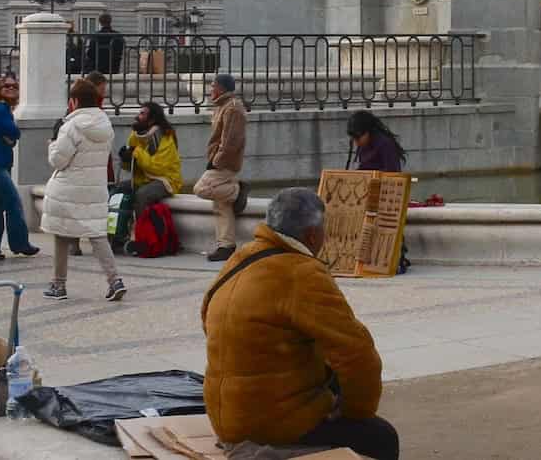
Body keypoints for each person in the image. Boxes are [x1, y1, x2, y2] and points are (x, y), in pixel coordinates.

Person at [201, 187, 397, 460]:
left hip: (225, 415)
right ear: (313, 235)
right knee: (381, 437)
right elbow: (358, 355)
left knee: (330, 376)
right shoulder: (302, 272)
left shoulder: (239, 259)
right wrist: (356, 413)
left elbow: (207, 319)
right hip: (268, 423)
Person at [42, 78, 124, 301]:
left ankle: (58, 285)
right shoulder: (105, 125)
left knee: (61, 234)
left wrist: (52, 144)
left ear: (74, 101)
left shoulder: (70, 126)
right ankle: (114, 280)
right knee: (98, 235)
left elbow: (58, 161)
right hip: (95, 188)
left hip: (68, 189)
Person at [0, 76, 40, 261]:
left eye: (15, 86)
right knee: (14, 203)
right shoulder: (0, 109)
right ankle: (20, 243)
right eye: (7, 86)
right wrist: (11, 136)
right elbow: (15, 133)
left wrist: (9, 138)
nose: (12, 88)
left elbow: (10, 137)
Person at [196, 73, 249, 262]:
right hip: (220, 160)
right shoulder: (223, 106)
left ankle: (237, 191)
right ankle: (226, 245)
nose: (210, 90)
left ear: (221, 88)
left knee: (201, 188)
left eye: (213, 86)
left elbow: (230, 141)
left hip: (225, 162)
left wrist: (216, 161)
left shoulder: (232, 108)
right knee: (221, 205)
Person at [121, 101, 183, 207]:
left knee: (142, 195)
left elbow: (158, 168)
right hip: (143, 179)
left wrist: (136, 153)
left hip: (165, 180)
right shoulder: (136, 135)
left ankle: (142, 224)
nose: (137, 117)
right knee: (118, 190)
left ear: (152, 120)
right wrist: (125, 159)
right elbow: (130, 168)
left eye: (142, 114)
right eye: (139, 113)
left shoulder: (165, 136)